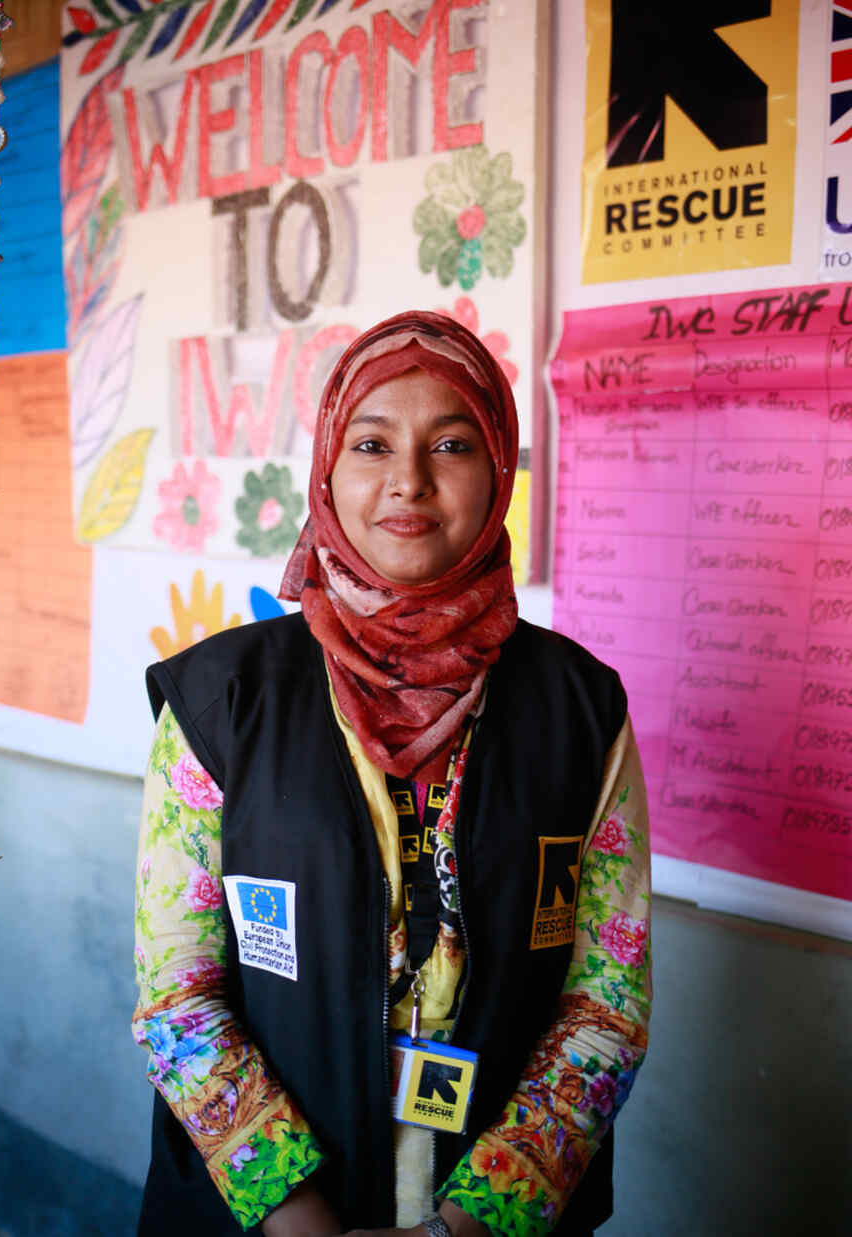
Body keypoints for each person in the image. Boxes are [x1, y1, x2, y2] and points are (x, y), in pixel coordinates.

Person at [132, 311, 651, 1237]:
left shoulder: (581, 711)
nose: (408, 479)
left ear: (499, 471)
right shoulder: (220, 705)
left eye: (451, 443)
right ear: (327, 470)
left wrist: (474, 1222)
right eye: (372, 443)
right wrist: (300, 1219)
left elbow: (605, 1003)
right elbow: (178, 996)